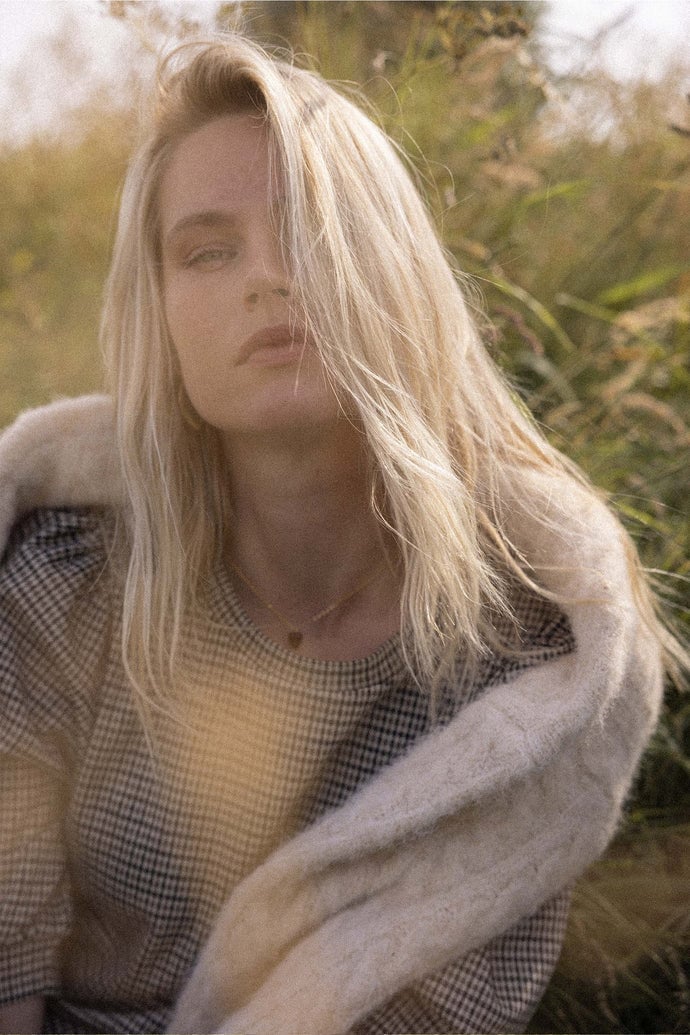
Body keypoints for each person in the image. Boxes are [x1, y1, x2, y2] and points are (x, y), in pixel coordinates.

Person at [0, 32, 682, 1035]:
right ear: (162, 316)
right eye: (208, 250)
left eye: (313, 229)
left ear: (398, 276)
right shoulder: (63, 573)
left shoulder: (532, 659)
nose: (268, 276)